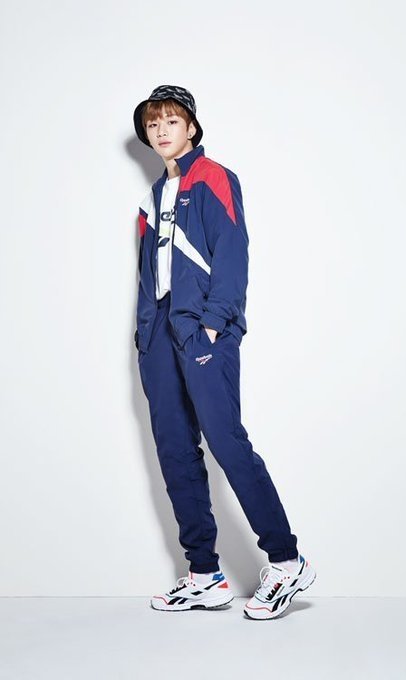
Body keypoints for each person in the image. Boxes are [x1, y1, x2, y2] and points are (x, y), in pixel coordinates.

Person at [132, 84, 316, 620]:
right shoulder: (151, 198)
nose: (161, 131)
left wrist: (215, 323)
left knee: (226, 441)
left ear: (191, 127)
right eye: (153, 124)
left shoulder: (213, 177)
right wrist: (145, 334)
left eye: (171, 121)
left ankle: (286, 561)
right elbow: (148, 274)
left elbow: (233, 251)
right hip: (159, 335)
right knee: (174, 448)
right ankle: (204, 575)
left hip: (202, 330)